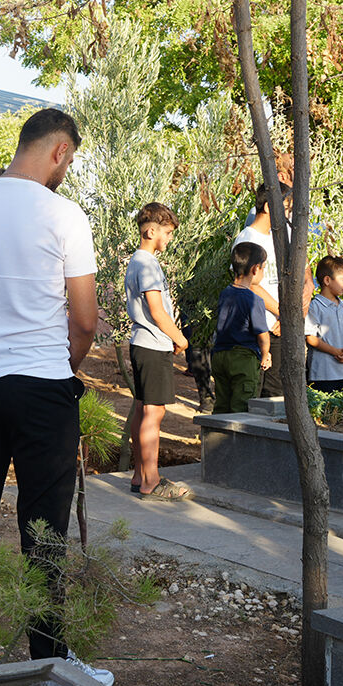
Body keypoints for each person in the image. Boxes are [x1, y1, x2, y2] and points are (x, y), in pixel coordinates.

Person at [0, 108, 111, 686]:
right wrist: (60, 368)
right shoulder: (64, 215)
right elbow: (84, 321)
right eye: (71, 161)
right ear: (59, 151)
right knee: (44, 524)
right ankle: (49, 655)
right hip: (43, 385)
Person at [125, 202, 192, 501]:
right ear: (151, 230)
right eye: (167, 232)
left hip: (141, 343)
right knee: (155, 412)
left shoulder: (136, 261)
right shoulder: (147, 263)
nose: (168, 239)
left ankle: (140, 475)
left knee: (143, 410)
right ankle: (152, 481)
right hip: (153, 345)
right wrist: (180, 338)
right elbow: (157, 310)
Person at [232, 182, 292, 398]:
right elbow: (248, 284)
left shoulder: (282, 235)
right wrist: (281, 312)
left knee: (275, 392)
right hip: (257, 328)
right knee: (252, 391)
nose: (288, 213)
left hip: (277, 326)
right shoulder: (248, 239)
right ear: (268, 207)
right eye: (285, 206)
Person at [212, 243, 273, 414]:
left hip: (220, 354)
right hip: (243, 358)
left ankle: (217, 438)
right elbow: (262, 334)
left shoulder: (225, 293)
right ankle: (236, 441)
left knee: (222, 404)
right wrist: (265, 354)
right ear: (255, 269)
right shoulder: (255, 300)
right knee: (241, 406)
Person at [306, 255, 343, 393]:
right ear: (327, 280)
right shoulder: (315, 306)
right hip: (324, 374)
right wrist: (336, 352)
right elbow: (311, 338)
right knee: (324, 411)